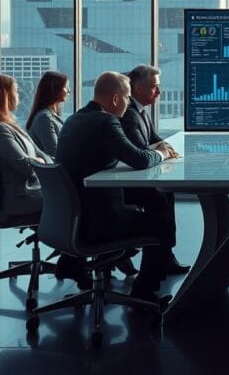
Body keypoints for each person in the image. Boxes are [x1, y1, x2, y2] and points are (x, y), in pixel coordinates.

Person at [54, 71, 178, 303]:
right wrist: (161, 153)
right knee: (163, 225)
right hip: (99, 219)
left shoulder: (76, 118)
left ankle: (76, 262)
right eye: (127, 97)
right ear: (115, 99)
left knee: (155, 200)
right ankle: (145, 292)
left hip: (70, 216)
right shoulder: (106, 121)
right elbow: (140, 159)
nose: (129, 103)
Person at [119, 65, 188, 276]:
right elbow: (141, 151)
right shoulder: (129, 114)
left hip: (133, 174)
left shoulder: (141, 111)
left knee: (166, 193)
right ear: (138, 88)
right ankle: (160, 259)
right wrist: (160, 149)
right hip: (122, 185)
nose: (159, 92)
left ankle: (165, 255)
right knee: (159, 197)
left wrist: (162, 148)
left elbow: (155, 141)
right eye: (155, 87)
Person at [0, 74, 49, 217]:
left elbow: (39, 153)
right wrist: (38, 161)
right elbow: (27, 168)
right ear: (5, 96)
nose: (19, 95)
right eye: (16, 91)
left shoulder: (11, 126)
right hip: (21, 198)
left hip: (32, 191)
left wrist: (40, 161)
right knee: (77, 198)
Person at [25, 71, 69, 157]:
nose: (68, 91)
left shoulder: (50, 116)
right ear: (55, 89)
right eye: (66, 87)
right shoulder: (44, 118)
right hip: (54, 168)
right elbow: (54, 152)